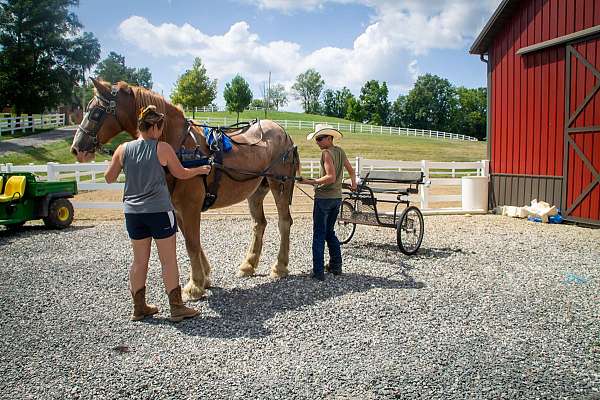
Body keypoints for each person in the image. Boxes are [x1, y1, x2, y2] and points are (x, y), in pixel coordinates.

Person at [105, 105, 211, 322]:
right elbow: (180, 173)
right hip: (159, 212)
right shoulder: (162, 148)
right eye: (160, 127)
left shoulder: (123, 149)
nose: (161, 132)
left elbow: (109, 177)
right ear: (153, 126)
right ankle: (176, 308)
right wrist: (200, 170)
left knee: (139, 262)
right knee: (168, 261)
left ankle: (139, 307)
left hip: (133, 214)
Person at [299, 124, 357, 281]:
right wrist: (353, 184)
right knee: (329, 232)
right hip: (336, 198)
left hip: (324, 198)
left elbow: (330, 177)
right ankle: (336, 266)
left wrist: (312, 182)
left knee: (318, 234)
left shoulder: (326, 153)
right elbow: (351, 171)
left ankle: (318, 272)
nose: (317, 142)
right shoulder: (340, 151)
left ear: (329, 138)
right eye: (316, 139)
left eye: (319, 139)